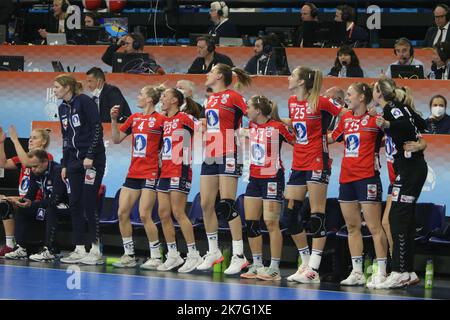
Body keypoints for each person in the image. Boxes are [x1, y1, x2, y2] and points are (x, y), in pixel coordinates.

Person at [283, 66, 346, 284]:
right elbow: (296, 126)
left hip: (317, 160)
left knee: (317, 214)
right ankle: (306, 263)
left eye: (292, 75)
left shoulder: (321, 101)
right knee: (288, 216)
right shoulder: (292, 101)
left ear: (302, 82)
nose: (289, 78)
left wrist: (335, 136)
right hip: (298, 163)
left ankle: (314, 269)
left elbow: (347, 115)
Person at [328, 82, 388, 288]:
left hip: (368, 178)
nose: (348, 97)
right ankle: (357, 272)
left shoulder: (375, 120)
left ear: (362, 97)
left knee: (374, 227)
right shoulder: (344, 118)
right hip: (346, 178)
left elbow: (391, 137)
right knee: (352, 226)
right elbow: (332, 138)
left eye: (350, 94)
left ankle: (382, 273)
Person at [196, 63, 252, 275]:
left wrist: (247, 132)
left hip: (229, 152)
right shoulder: (210, 99)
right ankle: (213, 252)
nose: (207, 74)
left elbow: (254, 116)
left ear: (219, 76)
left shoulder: (233, 96)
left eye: (210, 71)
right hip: (211, 153)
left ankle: (239, 255)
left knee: (227, 205)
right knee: (206, 203)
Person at [374, 78, 428, 289]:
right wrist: (419, 141)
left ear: (380, 93)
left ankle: (399, 271)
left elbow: (406, 124)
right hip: (405, 169)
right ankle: (407, 271)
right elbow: (420, 123)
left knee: (399, 217)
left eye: (374, 89)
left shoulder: (393, 108)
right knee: (398, 217)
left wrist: (388, 125)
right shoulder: (401, 107)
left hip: (411, 169)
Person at [109, 84, 166, 269]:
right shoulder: (134, 118)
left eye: (141, 93)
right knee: (121, 212)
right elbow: (116, 139)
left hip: (151, 172)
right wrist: (113, 120)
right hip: (133, 172)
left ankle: (156, 256)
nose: (138, 96)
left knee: (144, 215)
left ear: (150, 99)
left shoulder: (161, 120)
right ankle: (129, 255)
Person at [239, 95, 294, 281]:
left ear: (258, 111)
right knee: (252, 223)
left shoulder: (277, 127)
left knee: (271, 223)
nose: (246, 111)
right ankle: (257, 264)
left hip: (272, 178)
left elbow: (295, 141)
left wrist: (289, 122)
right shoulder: (252, 126)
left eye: (249, 107)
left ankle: (275, 268)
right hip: (254, 178)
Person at [54, 74, 106, 265]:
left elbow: (97, 128)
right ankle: (78, 247)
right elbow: (66, 137)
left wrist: (90, 155)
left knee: (89, 202)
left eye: (57, 87)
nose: (55, 90)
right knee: (75, 203)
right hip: (74, 163)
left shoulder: (84, 101)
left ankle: (95, 248)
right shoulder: (62, 108)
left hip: (93, 160)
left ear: (68, 87)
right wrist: (65, 164)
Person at [155, 88, 203, 272]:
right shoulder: (164, 120)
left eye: (165, 96)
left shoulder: (184, 118)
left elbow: (202, 127)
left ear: (175, 100)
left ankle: (193, 255)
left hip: (180, 169)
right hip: (165, 170)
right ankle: (173, 255)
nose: (162, 99)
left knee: (178, 212)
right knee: (163, 213)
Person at [0, 126, 53, 258]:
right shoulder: (23, 158)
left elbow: (28, 162)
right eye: (29, 138)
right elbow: (3, 163)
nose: (30, 140)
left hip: (39, 203)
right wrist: (1, 142)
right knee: (4, 202)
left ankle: (23, 246)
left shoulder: (46, 157)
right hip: (25, 198)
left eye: (34, 138)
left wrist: (15, 140)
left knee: (11, 201)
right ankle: (10, 244)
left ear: (43, 142)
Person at [10, 149, 68, 262]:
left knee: (52, 209)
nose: (33, 169)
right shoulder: (35, 172)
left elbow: (56, 199)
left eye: (35, 166)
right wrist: (21, 202)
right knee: (22, 210)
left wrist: (34, 204)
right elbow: (30, 195)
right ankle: (22, 248)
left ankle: (50, 250)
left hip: (66, 205)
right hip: (48, 204)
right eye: (31, 167)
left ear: (45, 161)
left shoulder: (57, 170)